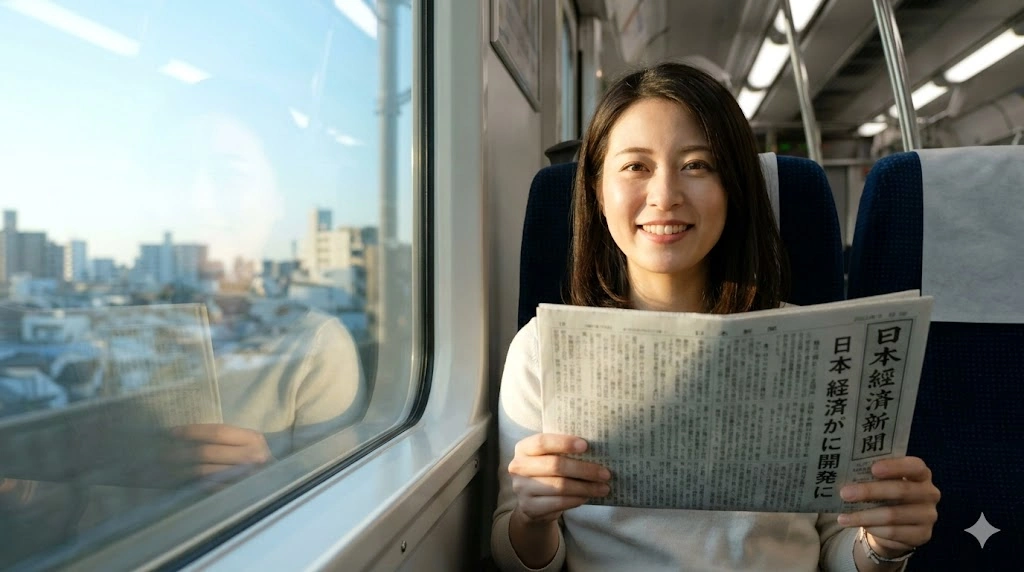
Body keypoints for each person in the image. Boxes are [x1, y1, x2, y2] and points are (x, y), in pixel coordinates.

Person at [490, 62, 939, 571]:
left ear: (733, 188)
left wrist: (883, 546)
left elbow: (838, 549)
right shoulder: (542, 349)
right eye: (636, 166)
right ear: (596, 190)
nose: (665, 195)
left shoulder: (821, 346)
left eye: (697, 165)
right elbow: (516, 555)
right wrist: (534, 518)